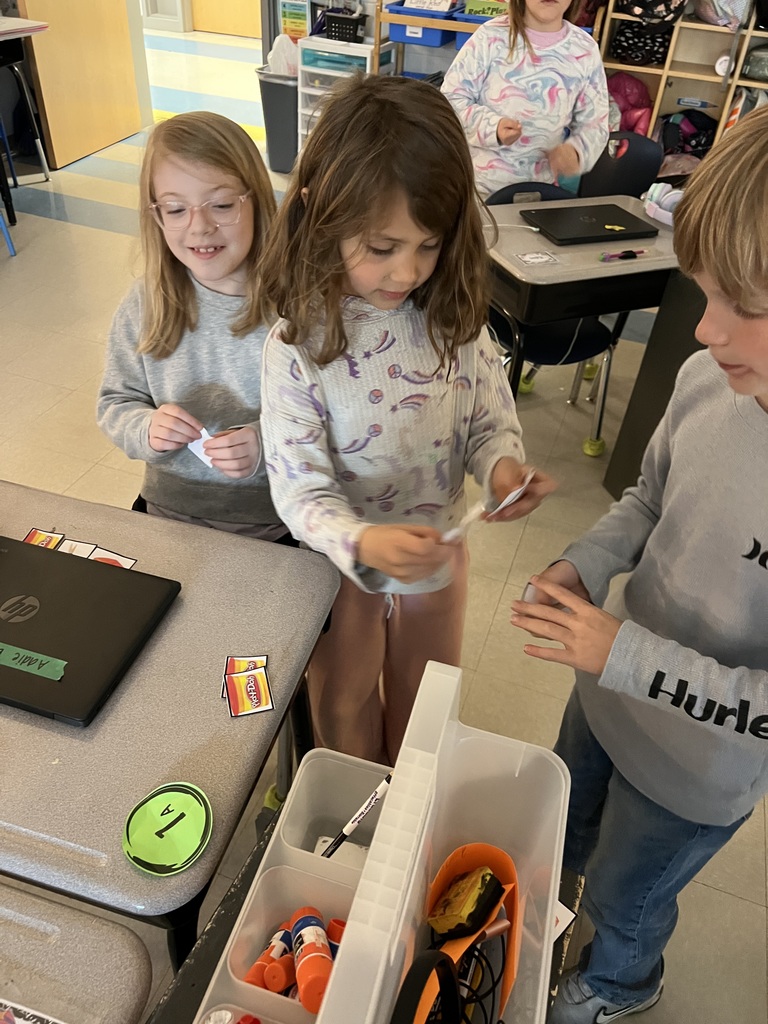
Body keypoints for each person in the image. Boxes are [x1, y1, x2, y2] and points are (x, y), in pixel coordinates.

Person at [510, 106, 768, 1023]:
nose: (710, 332)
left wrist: (626, 655)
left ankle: (622, 982)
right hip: (605, 705)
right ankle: (554, 928)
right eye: (707, 295)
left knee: (629, 898)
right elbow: (649, 499)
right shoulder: (712, 380)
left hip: (697, 771)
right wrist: (586, 563)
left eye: (751, 307)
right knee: (563, 837)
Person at [259, 74, 555, 765]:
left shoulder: (453, 316)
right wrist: (362, 541)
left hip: (436, 554)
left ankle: (410, 801)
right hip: (340, 570)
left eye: (428, 245)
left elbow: (489, 420)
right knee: (344, 705)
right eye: (382, 247)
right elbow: (298, 489)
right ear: (320, 212)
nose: (408, 271)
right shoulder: (296, 345)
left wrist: (502, 468)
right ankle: (360, 816)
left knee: (427, 704)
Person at [97, 111, 288, 540]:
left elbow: (330, 418)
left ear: (255, 198)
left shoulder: (296, 307)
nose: (199, 226)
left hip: (277, 527)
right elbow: (115, 402)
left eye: (221, 204)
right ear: (157, 215)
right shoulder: (146, 302)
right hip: (165, 514)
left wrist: (266, 442)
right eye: (176, 208)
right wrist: (146, 428)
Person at [441, 0, 609, 196]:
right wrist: (492, 126)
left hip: (539, 193)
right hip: (478, 189)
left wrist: (578, 151)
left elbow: (596, 123)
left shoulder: (584, 50)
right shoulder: (490, 37)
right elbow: (451, 101)